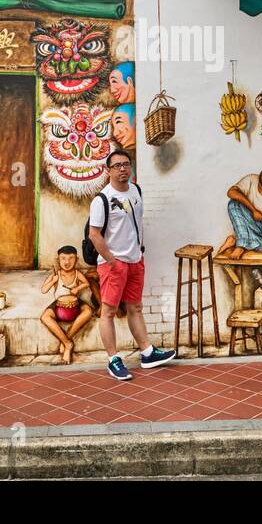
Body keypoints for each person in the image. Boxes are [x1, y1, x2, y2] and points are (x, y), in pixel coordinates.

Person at [88, 148, 175, 381]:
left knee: (135, 307)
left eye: (126, 164)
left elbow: (137, 224)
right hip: (113, 264)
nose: (123, 169)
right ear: (109, 171)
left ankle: (147, 352)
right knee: (108, 312)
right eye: (117, 166)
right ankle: (113, 359)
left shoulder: (136, 191)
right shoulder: (102, 199)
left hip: (136, 260)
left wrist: (139, 252)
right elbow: (94, 235)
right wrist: (111, 261)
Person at [39, 245, 96, 364]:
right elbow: (43, 290)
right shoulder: (56, 275)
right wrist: (53, 281)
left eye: (71, 258)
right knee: (44, 317)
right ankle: (68, 344)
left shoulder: (77, 273)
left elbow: (86, 283)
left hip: (76, 303)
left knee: (88, 311)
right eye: (63, 258)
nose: (67, 262)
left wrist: (78, 288)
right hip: (58, 304)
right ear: (58, 260)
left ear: (76, 259)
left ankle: (65, 339)